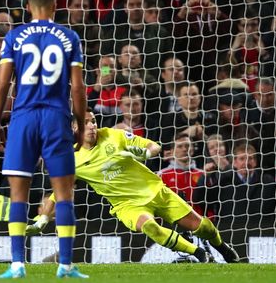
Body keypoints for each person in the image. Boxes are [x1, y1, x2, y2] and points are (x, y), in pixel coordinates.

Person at [26, 111, 239, 263]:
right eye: (87, 122)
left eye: (94, 121)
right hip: (126, 204)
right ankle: (199, 254)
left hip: (155, 190)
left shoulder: (113, 135)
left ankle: (222, 247)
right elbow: (59, 192)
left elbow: (154, 146)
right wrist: (44, 218)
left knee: (203, 227)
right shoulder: (72, 159)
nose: (93, 125)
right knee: (150, 227)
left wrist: (143, 153)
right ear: (74, 128)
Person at [0, 0, 87, 279]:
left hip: (23, 119)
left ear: (28, 6)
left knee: (18, 194)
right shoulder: (69, 37)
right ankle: (65, 265)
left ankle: (17, 264)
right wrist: (81, 124)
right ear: (56, 5)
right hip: (56, 118)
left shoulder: (14, 36)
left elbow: (3, 84)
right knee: (64, 194)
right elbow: (77, 86)